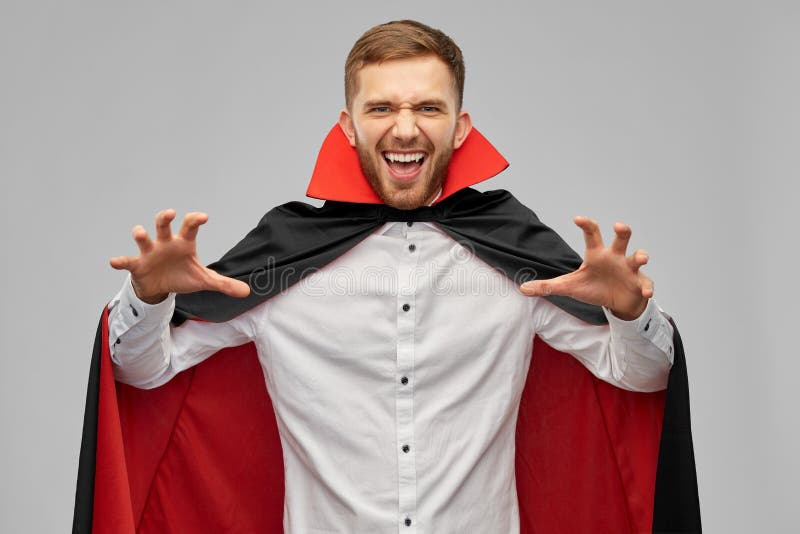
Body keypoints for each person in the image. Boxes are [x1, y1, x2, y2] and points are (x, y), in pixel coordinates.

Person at [76, 20, 699, 534]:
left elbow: (640, 377)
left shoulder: (518, 259)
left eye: (428, 106)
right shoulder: (282, 261)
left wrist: (627, 311)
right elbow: (140, 370)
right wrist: (150, 297)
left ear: (460, 126)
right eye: (381, 107)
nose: (405, 128)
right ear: (348, 126)